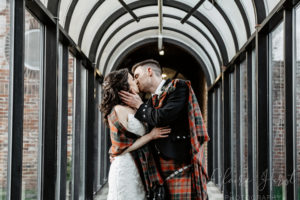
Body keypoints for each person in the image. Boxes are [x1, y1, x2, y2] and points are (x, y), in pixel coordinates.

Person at [119, 59, 210, 200]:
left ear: (149, 72)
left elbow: (163, 117)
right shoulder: (150, 102)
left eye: (137, 76)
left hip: (178, 162)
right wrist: (120, 151)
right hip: (156, 167)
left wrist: (139, 105)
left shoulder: (178, 86)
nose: (136, 81)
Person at [100, 68, 171, 200]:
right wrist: (151, 136)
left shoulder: (137, 107)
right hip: (125, 167)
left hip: (139, 166)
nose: (136, 81)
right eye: (132, 79)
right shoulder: (118, 110)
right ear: (124, 85)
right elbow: (121, 148)